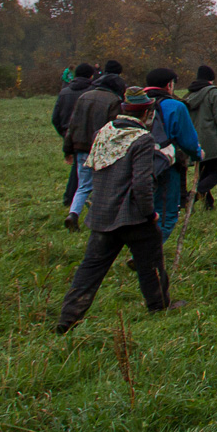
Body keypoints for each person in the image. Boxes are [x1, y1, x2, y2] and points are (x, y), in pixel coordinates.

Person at [54, 86, 180, 331]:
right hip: (134, 216)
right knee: (151, 264)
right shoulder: (142, 139)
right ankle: (158, 305)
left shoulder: (102, 133)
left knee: (90, 269)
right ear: (146, 113)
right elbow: (142, 183)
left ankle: (68, 317)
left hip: (102, 214)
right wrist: (149, 213)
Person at [62, 61, 125, 231]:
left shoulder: (84, 97)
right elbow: (114, 128)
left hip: (80, 147)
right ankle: (98, 220)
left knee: (83, 185)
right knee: (102, 185)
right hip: (101, 149)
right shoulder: (114, 101)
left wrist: (68, 149)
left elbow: (72, 124)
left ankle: (73, 213)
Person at [143, 68, 202, 241]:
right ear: (169, 85)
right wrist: (198, 154)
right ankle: (147, 254)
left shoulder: (135, 104)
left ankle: (140, 250)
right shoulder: (176, 106)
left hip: (135, 165)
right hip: (165, 167)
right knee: (167, 215)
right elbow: (189, 141)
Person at [185, 65, 217, 210]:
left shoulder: (189, 95)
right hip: (211, 140)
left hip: (194, 140)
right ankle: (192, 197)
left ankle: (208, 204)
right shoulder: (214, 93)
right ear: (211, 79)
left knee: (204, 173)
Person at [52, 62, 94, 211]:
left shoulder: (64, 92)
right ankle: (79, 198)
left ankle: (70, 198)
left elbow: (55, 117)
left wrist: (64, 133)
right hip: (87, 134)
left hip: (68, 132)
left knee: (78, 166)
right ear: (91, 75)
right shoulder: (92, 91)